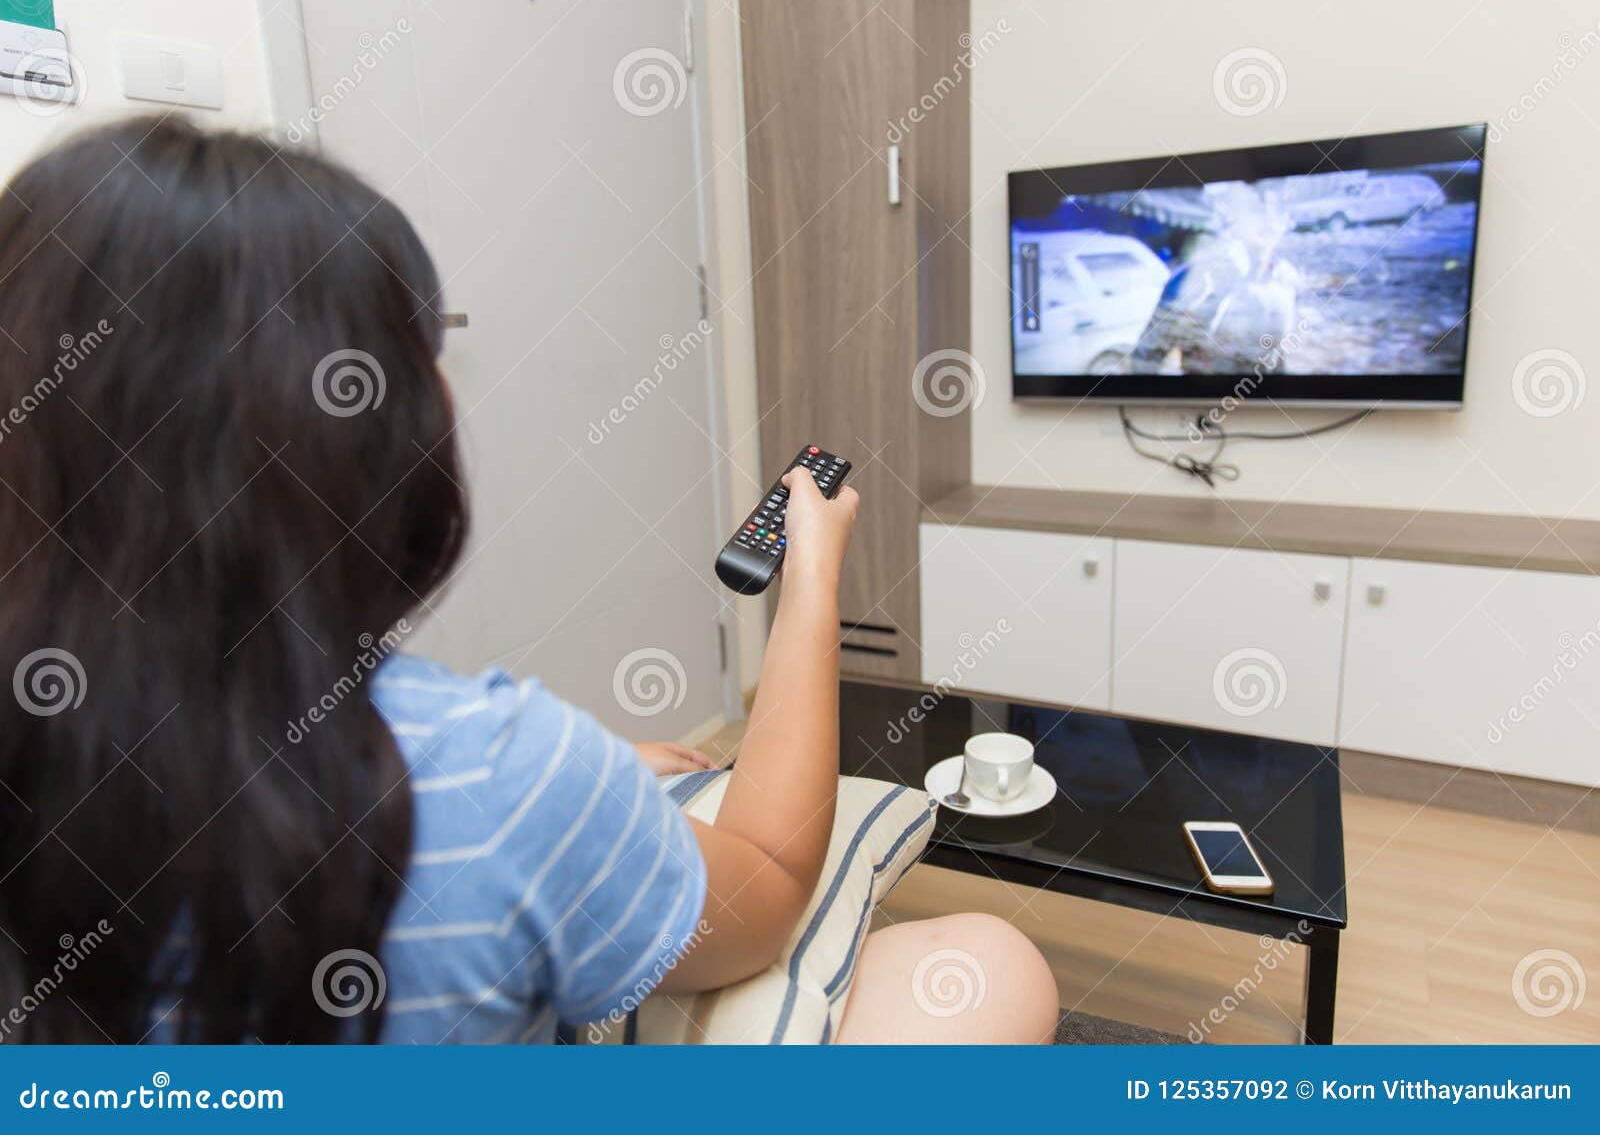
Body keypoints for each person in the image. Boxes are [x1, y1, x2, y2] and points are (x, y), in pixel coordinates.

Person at [0, 117, 1056, 1045]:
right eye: (417, 349)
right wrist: (813, 574)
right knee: (989, 966)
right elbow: (770, 887)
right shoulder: (500, 776)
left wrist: (591, 778)